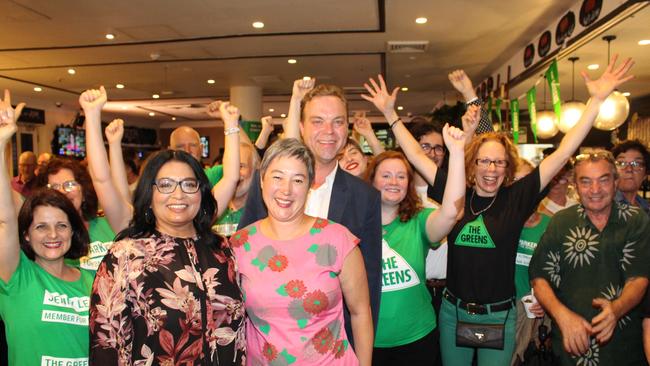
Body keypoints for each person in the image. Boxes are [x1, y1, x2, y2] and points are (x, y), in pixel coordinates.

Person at [423, 55, 633, 365]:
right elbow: (416, 155)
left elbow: (564, 152)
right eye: (484, 161)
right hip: (454, 314)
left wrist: (596, 102)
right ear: (472, 164)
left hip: (500, 318)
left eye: (500, 162)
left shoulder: (515, 198)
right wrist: (390, 116)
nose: (492, 168)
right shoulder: (457, 193)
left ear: (508, 167)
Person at [239, 82, 383, 346]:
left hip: (332, 349)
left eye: (338, 122)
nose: (328, 131)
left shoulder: (365, 198)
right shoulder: (271, 187)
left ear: (348, 129)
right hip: (266, 345)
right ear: (302, 128)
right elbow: (241, 261)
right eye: (318, 121)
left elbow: (369, 289)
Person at [89, 146, 245, 364]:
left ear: (202, 192)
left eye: (189, 184)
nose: (178, 194)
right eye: (165, 185)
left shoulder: (222, 251)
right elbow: (107, 345)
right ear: (149, 194)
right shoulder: (125, 257)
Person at [231, 138, 372, 365]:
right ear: (262, 180)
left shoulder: (338, 239)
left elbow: (361, 312)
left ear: (309, 186)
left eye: (298, 180)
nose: (286, 190)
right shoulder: (239, 244)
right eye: (277, 177)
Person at [529, 150, 650, 365]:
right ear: (575, 187)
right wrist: (562, 316)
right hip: (570, 348)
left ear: (615, 182)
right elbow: (539, 276)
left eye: (603, 180)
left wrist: (616, 309)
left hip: (623, 349)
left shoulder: (636, 221)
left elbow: (639, 277)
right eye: (585, 182)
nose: (595, 190)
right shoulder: (561, 222)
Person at [0, 90, 94, 365]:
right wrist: (3, 141)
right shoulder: (15, 278)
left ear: (73, 231)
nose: (53, 235)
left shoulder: (92, 280)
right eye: (41, 226)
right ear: (26, 234)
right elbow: (5, 218)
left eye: (61, 225)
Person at [364, 119, 466, 364]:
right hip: (370, 339)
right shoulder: (356, 225)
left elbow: (451, 212)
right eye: (386, 175)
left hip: (418, 337)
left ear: (408, 184)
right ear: (372, 181)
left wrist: (458, 152)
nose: (393, 181)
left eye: (401, 176)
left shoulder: (420, 220)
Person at [510, 159, 550, 365]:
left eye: (526, 181)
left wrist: (548, 302)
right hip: (504, 312)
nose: (521, 188)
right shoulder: (501, 222)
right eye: (515, 181)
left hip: (534, 312)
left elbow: (558, 273)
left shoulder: (551, 225)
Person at [213, 141, 259, 237]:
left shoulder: (262, 212)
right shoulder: (213, 209)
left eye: (241, 166)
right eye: (230, 167)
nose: (235, 174)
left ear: (254, 170)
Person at [611, 139, 650, 215]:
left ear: (645, 174)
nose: (629, 169)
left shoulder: (645, 207)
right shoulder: (604, 206)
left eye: (636, 164)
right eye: (621, 163)